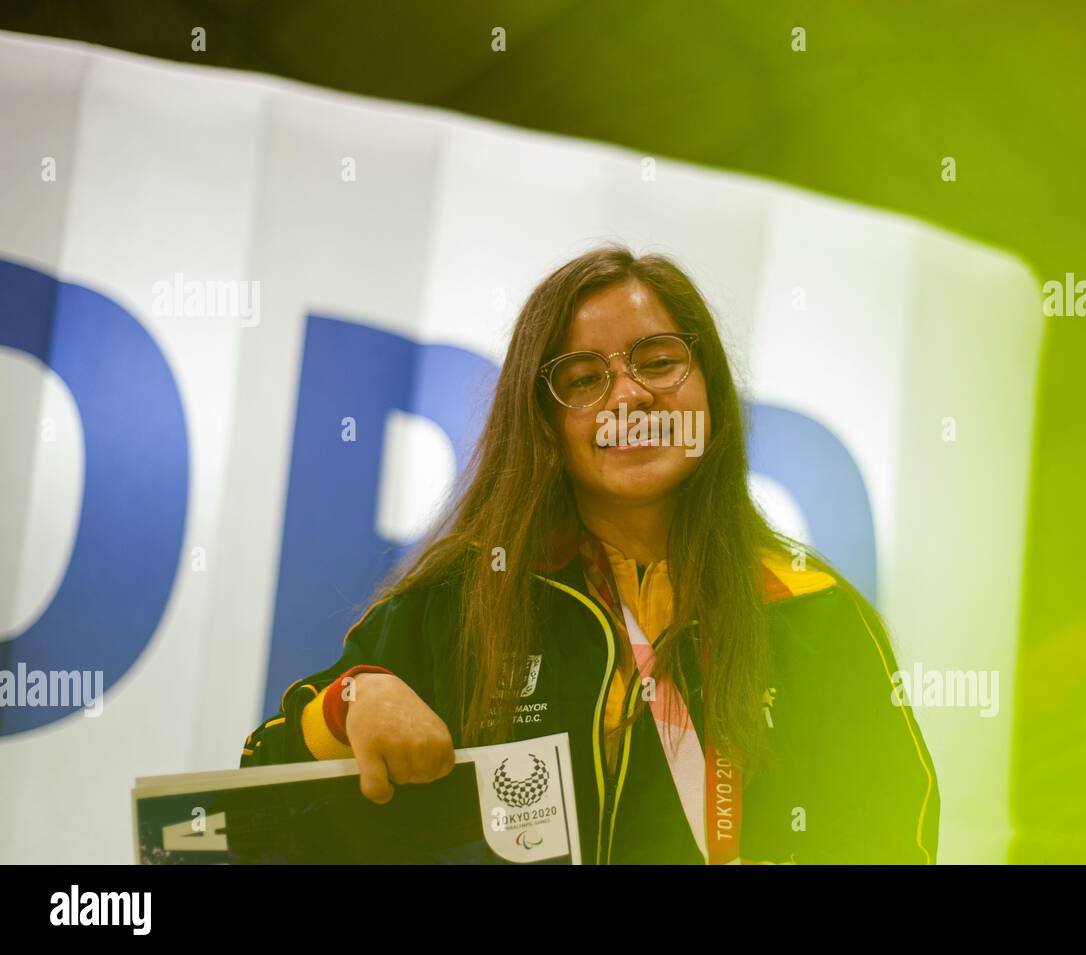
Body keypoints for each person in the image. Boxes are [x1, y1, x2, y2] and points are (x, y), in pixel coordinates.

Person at [240, 244, 939, 864]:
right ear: (544, 426)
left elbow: (893, 840)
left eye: (658, 361)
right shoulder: (470, 597)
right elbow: (250, 796)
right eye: (582, 380)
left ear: (710, 393)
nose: (628, 396)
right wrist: (351, 702)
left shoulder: (815, 615)